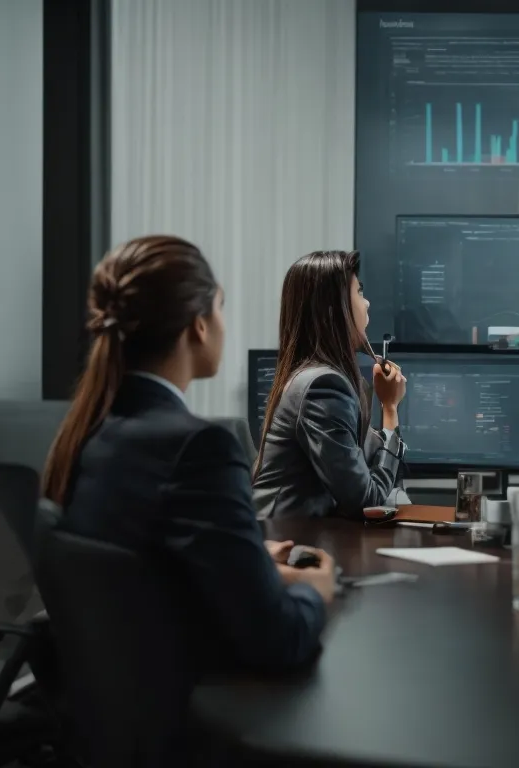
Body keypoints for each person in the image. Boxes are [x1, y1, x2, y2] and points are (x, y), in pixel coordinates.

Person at [41, 234, 332, 676]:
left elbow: (142, 570)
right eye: (219, 308)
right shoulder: (200, 449)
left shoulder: (93, 431)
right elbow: (278, 638)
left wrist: (246, 558)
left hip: (115, 704)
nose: (222, 323)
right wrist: (316, 590)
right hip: (190, 713)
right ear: (198, 325)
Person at [252, 250, 409, 519]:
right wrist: (390, 411)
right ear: (335, 309)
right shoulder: (323, 387)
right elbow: (366, 500)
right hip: (289, 543)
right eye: (359, 292)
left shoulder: (320, 378)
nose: (367, 303)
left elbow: (368, 466)